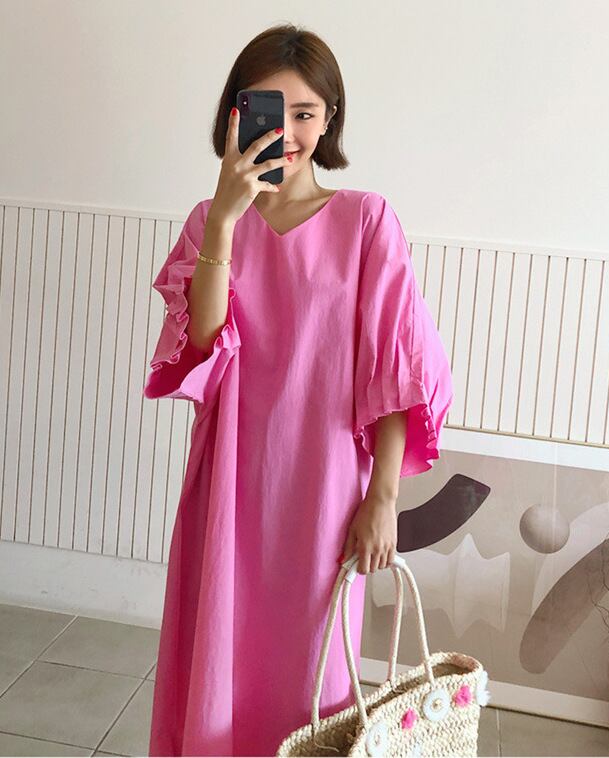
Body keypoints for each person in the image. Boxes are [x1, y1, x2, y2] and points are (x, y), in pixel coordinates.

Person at [143, 22, 454, 758]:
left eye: (305, 112)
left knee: (315, 676)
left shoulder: (367, 221)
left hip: (325, 491)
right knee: (220, 657)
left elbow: (395, 371)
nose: (286, 131)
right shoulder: (208, 222)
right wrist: (226, 217)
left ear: (330, 118)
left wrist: (382, 499)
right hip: (229, 483)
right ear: (235, 114)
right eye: (267, 110)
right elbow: (201, 341)